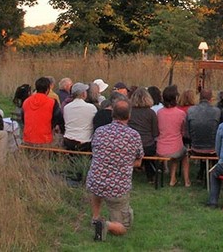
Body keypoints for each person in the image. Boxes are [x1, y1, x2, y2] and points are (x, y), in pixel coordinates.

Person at [86, 100, 143, 241]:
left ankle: (95, 217)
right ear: (129, 115)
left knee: (97, 188)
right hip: (117, 187)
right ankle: (104, 224)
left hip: (95, 180)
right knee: (124, 227)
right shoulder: (134, 135)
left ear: (112, 114)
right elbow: (138, 162)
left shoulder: (99, 131)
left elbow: (96, 152)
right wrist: (124, 164)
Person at [156, 85, 190, 187]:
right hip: (175, 147)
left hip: (160, 148)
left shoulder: (159, 113)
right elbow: (183, 131)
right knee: (184, 154)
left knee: (175, 153)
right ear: (175, 98)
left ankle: (173, 178)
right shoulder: (181, 113)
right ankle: (186, 180)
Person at [186, 88, 221, 181]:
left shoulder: (191, 110)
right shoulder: (217, 111)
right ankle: (211, 173)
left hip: (195, 148)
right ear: (211, 98)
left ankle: (203, 172)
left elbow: (187, 132)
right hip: (212, 148)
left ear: (199, 97)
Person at [127, 87, 159, 183]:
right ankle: (151, 176)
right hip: (147, 146)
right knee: (150, 152)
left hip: (131, 145)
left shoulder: (129, 112)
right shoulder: (151, 113)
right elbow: (155, 132)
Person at [22, 77, 63, 146]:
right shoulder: (52, 102)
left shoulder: (26, 101)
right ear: (48, 90)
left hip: (27, 139)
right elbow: (58, 119)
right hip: (45, 140)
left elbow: (23, 119)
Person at [63, 83, 98, 152]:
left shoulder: (66, 107)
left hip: (68, 141)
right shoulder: (91, 107)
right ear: (83, 94)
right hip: (85, 143)